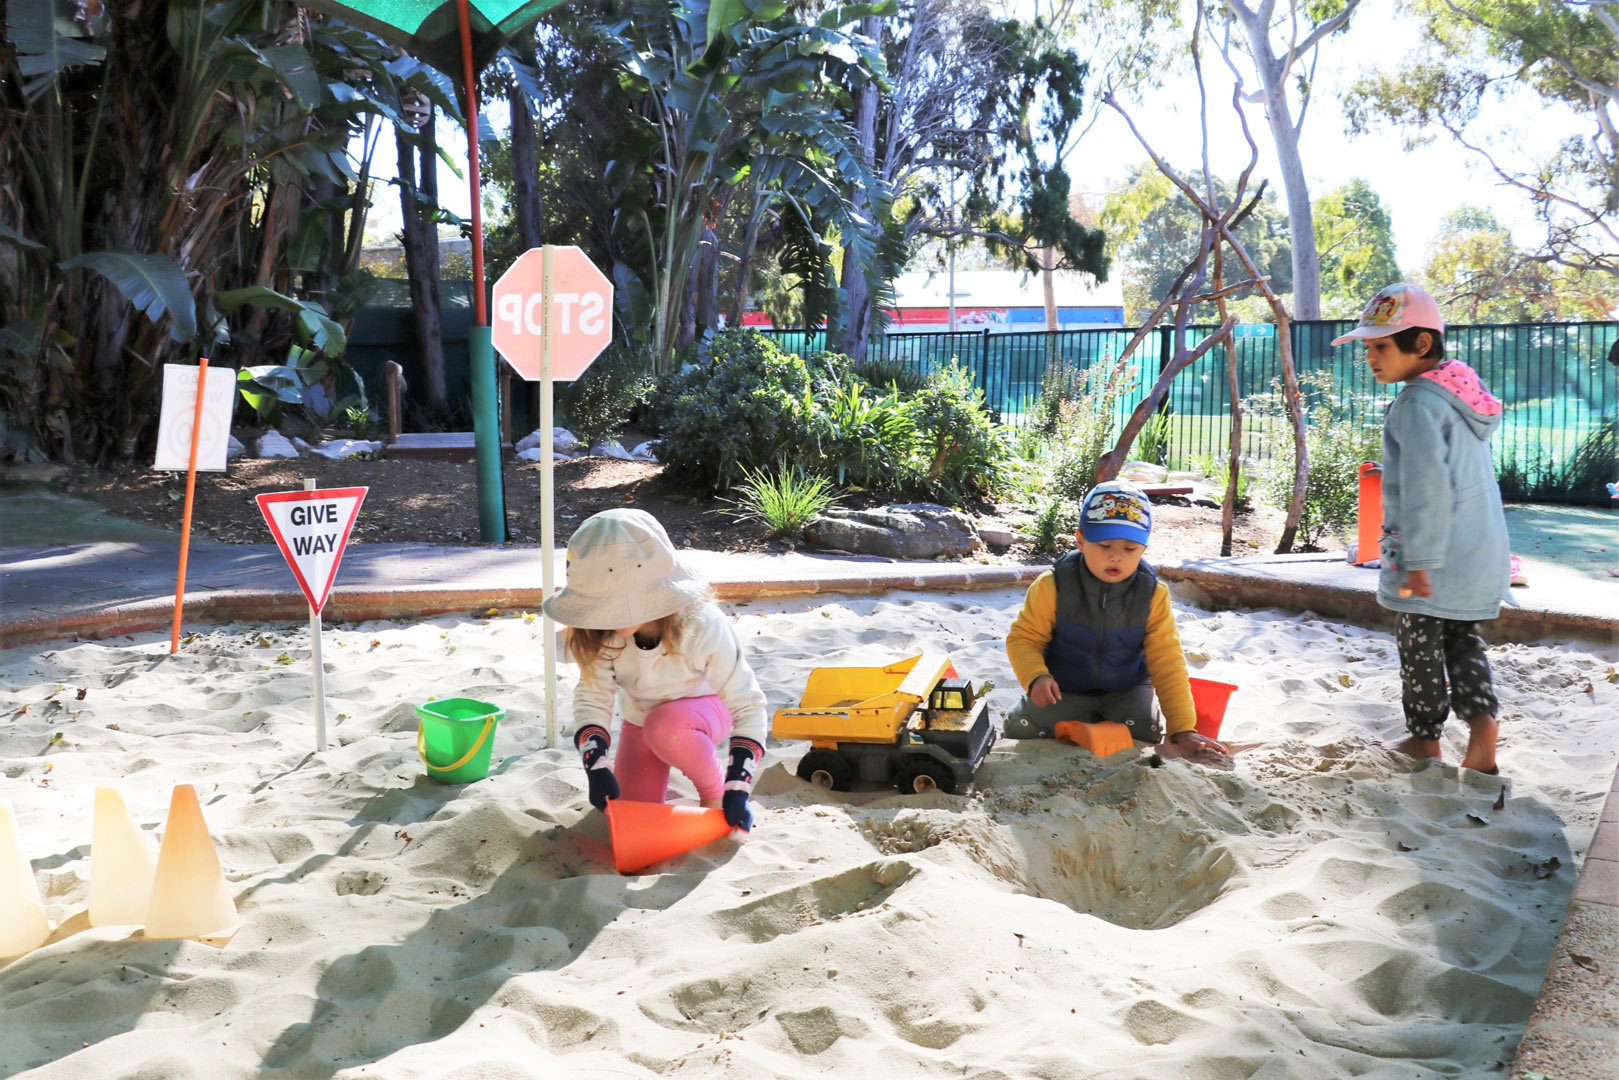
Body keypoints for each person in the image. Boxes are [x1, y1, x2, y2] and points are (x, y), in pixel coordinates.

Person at [1332, 282, 1508, 774]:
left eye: (1382, 346)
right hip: (1475, 551)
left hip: (1432, 558)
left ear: (1422, 344)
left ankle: (1426, 739)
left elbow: (1426, 488)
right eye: (1368, 348)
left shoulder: (1415, 405)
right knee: (1462, 641)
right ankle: (1482, 727)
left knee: (1419, 645)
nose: (1371, 357)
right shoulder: (1459, 394)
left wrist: (1421, 563)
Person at [542, 508, 768, 830]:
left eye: (615, 605)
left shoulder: (702, 624)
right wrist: (596, 764)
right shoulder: (600, 633)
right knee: (631, 818)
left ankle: (713, 791)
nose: (608, 616)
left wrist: (737, 785)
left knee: (666, 727)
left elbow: (748, 703)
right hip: (641, 720)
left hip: (705, 711)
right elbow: (593, 698)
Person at [1003, 480, 1229, 766]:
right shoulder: (1054, 585)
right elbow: (1024, 638)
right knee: (1021, 727)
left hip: (1126, 686)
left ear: (1144, 548)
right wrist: (1036, 676)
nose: (1116, 556)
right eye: (1105, 544)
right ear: (1081, 541)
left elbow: (1166, 660)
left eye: (1131, 548)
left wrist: (1183, 728)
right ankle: (1077, 718)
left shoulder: (1152, 594)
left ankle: (1095, 721)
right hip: (1065, 685)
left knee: (1145, 732)